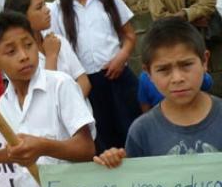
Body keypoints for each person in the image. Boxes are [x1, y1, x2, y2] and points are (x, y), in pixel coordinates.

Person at [0, 12, 95, 187]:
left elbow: (86, 148)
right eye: (11, 51)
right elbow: (20, 151)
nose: (24, 56)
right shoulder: (5, 102)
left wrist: (43, 146)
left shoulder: (60, 85)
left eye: (28, 45)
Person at [48, 0, 141, 153]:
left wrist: (122, 56)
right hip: (87, 86)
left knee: (131, 132)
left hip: (118, 77)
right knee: (102, 141)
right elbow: (60, 52)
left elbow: (129, 36)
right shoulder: (57, 10)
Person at [94, 17, 222, 168]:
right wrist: (115, 162)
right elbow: (135, 181)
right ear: (148, 73)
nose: (177, 78)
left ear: (205, 61)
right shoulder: (142, 131)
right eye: (163, 69)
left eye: (186, 65)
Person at [4, 0, 91, 97]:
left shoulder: (57, 40)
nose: (47, 10)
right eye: (39, 7)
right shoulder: (21, 59)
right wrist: (51, 57)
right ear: (22, 17)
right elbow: (45, 97)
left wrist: (73, 109)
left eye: (44, 4)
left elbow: (84, 81)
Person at [138, 70, 213, 112]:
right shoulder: (144, 78)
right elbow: (145, 106)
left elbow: (207, 84)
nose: (177, 79)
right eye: (162, 69)